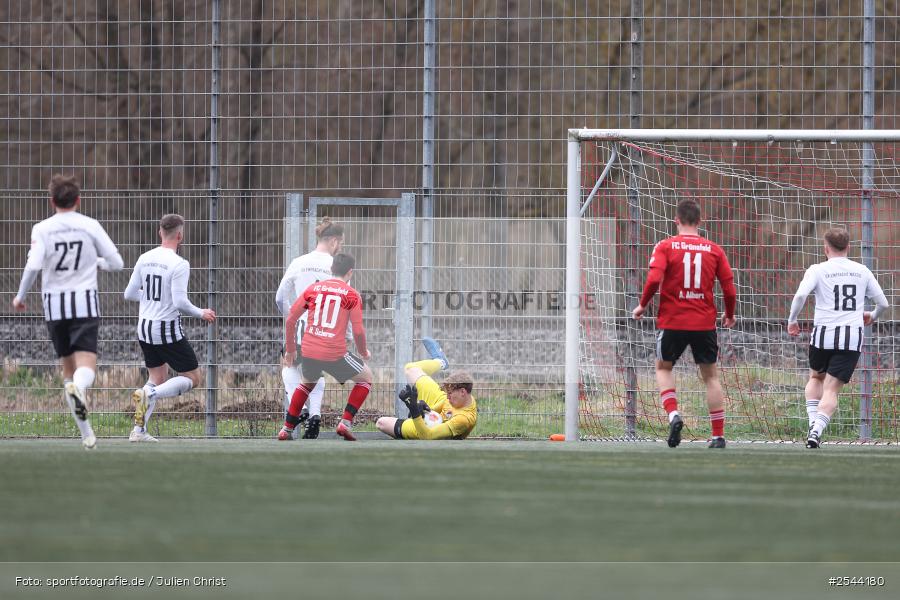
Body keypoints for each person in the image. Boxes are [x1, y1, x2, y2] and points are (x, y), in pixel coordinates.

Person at [12, 174, 124, 449]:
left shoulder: (42, 229)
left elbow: (34, 266)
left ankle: (87, 435)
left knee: (68, 370)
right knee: (86, 369)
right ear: (78, 200)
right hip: (84, 303)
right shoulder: (90, 225)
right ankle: (81, 391)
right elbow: (117, 263)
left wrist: (20, 296)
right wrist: (96, 262)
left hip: (55, 306)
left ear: (52, 201)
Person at [631, 199, 737, 448]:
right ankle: (718, 436)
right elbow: (729, 288)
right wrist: (729, 313)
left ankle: (674, 415)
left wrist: (643, 304)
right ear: (700, 222)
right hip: (704, 323)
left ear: (676, 220)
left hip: (673, 321)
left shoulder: (665, 246)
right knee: (711, 377)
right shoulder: (714, 249)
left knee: (663, 368)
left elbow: (654, 279)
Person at [787, 227, 888, 448]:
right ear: (848, 247)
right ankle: (817, 430)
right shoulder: (861, 270)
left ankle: (813, 425)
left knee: (816, 378)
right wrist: (871, 315)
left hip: (823, 335)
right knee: (832, 389)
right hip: (851, 338)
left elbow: (801, 294)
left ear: (826, 248)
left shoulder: (817, 269)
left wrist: (792, 320)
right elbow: (884, 303)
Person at [123, 214, 216, 442]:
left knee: (158, 375)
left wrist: (151, 299)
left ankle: (139, 431)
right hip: (165, 328)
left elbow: (129, 294)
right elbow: (180, 302)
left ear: (159, 232)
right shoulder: (179, 263)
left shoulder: (145, 257)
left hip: (144, 327)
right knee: (193, 377)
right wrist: (201, 312)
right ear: (180, 236)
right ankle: (149, 394)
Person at [278, 253, 372, 441]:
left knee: (306, 384)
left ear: (331, 270)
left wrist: (290, 349)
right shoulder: (352, 295)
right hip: (335, 353)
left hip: (309, 351)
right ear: (350, 272)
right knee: (366, 378)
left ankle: (286, 430)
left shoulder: (314, 289)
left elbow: (291, 320)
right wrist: (363, 351)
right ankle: (345, 423)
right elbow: (359, 331)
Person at [274, 217, 344, 439]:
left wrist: (291, 316)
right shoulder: (338, 267)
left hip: (302, 326)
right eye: (340, 243)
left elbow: (279, 297)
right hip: (328, 330)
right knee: (315, 372)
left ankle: (302, 411)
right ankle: (314, 416)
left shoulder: (299, 262)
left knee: (289, 367)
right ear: (333, 241)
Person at [376, 337, 477, 440]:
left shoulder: (463, 419)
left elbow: (428, 436)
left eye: (450, 393)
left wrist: (414, 410)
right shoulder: (460, 398)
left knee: (381, 423)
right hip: (436, 406)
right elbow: (441, 405)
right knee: (411, 369)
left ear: (462, 392)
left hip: (428, 428)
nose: (447, 396)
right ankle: (441, 362)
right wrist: (422, 407)